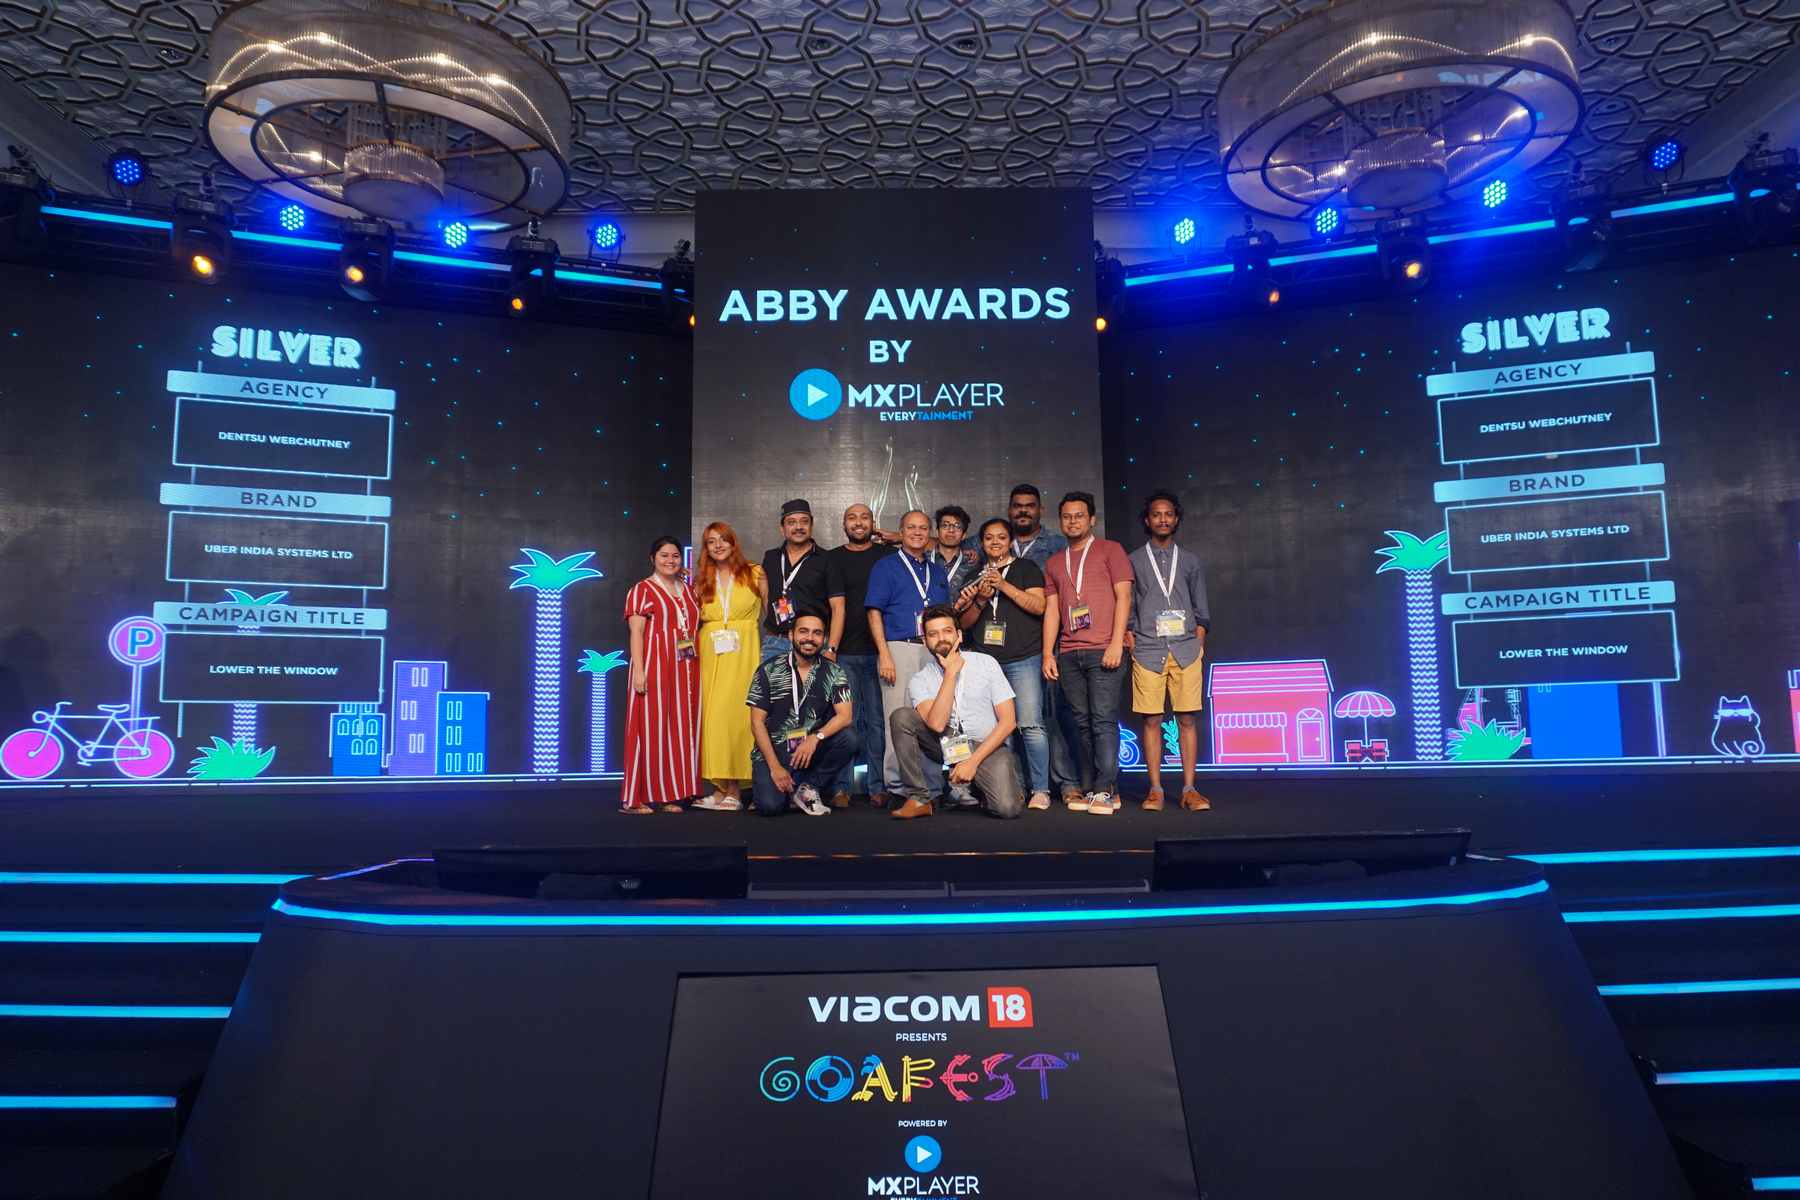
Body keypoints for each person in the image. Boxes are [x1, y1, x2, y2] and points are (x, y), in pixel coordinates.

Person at [1042, 492, 1133, 815]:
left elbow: (1124, 597)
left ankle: (1103, 790)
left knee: (1103, 721)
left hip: (1104, 649)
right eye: (1067, 516)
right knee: (1082, 723)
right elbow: (1052, 610)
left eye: (1079, 515)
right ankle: (1102, 787)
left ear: (1092, 519)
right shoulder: (1054, 562)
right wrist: (1048, 654)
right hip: (1069, 653)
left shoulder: (1111, 550)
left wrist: (1116, 642)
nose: (1073, 521)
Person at [889, 605, 1023, 820]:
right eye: (933, 634)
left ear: (959, 635)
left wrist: (972, 762)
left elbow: (1008, 722)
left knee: (1007, 809)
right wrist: (950, 674)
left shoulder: (986, 663)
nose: (941, 638)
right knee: (902, 717)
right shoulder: (920, 680)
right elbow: (937, 725)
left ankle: (980, 787)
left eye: (947, 631)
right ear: (925, 641)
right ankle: (920, 798)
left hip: (986, 747)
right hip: (946, 743)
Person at [1128, 492, 1213, 813]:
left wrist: (1198, 641)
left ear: (1176, 519)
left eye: (1168, 514)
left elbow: (1201, 609)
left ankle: (1190, 789)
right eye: (1156, 514)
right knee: (1152, 720)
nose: (1162, 519)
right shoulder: (1133, 560)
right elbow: (1129, 605)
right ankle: (1156, 790)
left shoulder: (1190, 560)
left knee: (1187, 719)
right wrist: (1131, 637)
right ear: (1147, 520)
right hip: (1148, 649)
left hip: (1186, 649)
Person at [957, 518, 1051, 810]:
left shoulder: (1026, 568)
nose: (995, 542)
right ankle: (1012, 788)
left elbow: (1039, 606)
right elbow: (964, 624)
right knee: (997, 730)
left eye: (1000, 537)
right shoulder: (973, 575)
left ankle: (1041, 789)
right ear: (982, 543)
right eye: (989, 538)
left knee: (1030, 724)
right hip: (986, 663)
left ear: (1010, 541)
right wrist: (980, 600)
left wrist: (1003, 584)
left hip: (1024, 658)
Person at [864, 510, 952, 802]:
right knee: (897, 718)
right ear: (900, 533)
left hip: (934, 651)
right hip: (898, 648)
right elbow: (874, 612)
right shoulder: (885, 566)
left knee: (934, 718)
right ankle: (898, 786)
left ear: (930, 534)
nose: (917, 532)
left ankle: (932, 786)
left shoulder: (936, 571)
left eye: (923, 528)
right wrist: (884, 654)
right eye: (911, 527)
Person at [1000, 482, 1079, 806]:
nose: (1023, 510)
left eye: (1029, 505)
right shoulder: (992, 541)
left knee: (1051, 715)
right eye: (1017, 505)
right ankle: (1015, 785)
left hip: (1053, 642)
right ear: (1009, 510)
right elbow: (949, 540)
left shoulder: (1058, 545)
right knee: (1008, 721)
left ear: (1040, 510)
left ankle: (1066, 782)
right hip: (1008, 646)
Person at [746, 609, 858, 817]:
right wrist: (775, 767)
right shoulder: (768, 669)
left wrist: (816, 738)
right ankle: (788, 790)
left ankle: (808, 787)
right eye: (803, 631)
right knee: (770, 807)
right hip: (775, 751)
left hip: (810, 750)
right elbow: (757, 723)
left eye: (817, 633)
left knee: (849, 738)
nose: (809, 638)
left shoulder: (834, 671)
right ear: (791, 635)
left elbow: (845, 716)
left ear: (824, 639)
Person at [622, 535, 701, 814]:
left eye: (675, 556)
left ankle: (669, 793)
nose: (670, 560)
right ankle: (635, 798)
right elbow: (637, 632)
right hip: (654, 664)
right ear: (653, 558)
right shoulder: (642, 590)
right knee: (648, 729)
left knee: (676, 731)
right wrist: (639, 671)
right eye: (664, 555)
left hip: (685, 668)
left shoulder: (689, 590)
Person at [693, 521, 765, 812]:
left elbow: (773, 613)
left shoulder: (755, 572)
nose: (718, 545)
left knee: (737, 716)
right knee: (713, 718)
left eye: (723, 539)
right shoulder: (701, 580)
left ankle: (735, 788)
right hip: (711, 652)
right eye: (711, 542)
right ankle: (720, 788)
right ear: (706, 548)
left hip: (744, 650)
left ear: (733, 543)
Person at [825, 502, 892, 808]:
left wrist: (895, 537)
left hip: (881, 653)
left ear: (872, 523)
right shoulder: (832, 558)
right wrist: (831, 649)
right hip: (845, 654)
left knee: (878, 722)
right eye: (851, 517)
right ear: (844, 524)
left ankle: (878, 786)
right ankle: (842, 787)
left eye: (864, 517)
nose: (858, 522)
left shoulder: (887, 556)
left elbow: (923, 542)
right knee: (845, 721)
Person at [759, 498, 831, 660]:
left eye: (804, 521)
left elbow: (838, 606)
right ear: (782, 529)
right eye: (791, 522)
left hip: (812, 643)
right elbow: (766, 595)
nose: (798, 527)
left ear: (811, 525)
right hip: (775, 642)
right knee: (771, 678)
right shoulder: (771, 557)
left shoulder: (827, 559)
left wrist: (832, 648)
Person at [932, 505, 980, 593]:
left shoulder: (972, 564)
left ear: (964, 535)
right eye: (945, 525)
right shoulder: (923, 560)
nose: (951, 530)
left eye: (957, 526)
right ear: (937, 531)